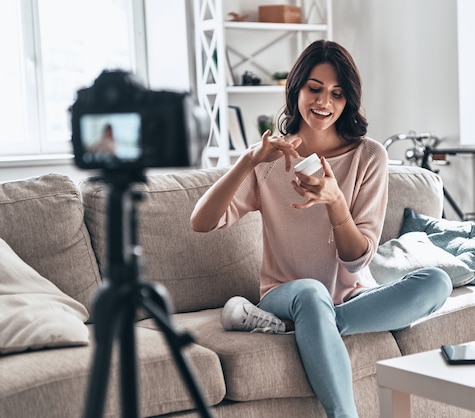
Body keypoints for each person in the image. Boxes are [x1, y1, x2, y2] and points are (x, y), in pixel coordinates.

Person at [190, 40, 452, 418]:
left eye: (337, 93)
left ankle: (310, 328)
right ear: (296, 88)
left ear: (348, 100)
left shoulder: (369, 157)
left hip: (350, 296)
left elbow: (357, 261)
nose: (324, 102)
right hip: (286, 294)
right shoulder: (268, 161)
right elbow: (201, 221)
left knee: (437, 282)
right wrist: (248, 160)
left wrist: (335, 203)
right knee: (312, 295)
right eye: (314, 88)